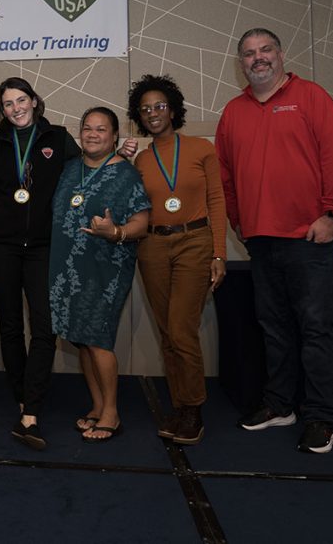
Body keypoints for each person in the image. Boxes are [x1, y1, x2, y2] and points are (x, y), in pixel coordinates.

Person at [216, 28, 333, 454]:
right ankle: (280, 405)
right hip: (260, 240)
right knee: (273, 327)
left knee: (315, 329)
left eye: (265, 50)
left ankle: (320, 417)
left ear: (280, 55)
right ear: (240, 62)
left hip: (308, 237)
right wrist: (239, 223)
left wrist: (332, 213)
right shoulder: (233, 112)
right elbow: (226, 176)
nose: (258, 59)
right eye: (249, 54)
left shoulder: (311, 97)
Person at [124, 74, 227, 445]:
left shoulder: (202, 148)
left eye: (159, 106)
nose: (153, 113)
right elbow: (129, 204)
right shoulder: (141, 159)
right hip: (152, 247)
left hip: (195, 242)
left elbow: (217, 201)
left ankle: (194, 410)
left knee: (182, 328)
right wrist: (121, 165)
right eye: (145, 108)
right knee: (168, 333)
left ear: (173, 109)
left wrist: (219, 252)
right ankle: (180, 405)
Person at [0, 77, 80, 450]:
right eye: (8, 103)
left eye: (22, 100)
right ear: (1, 110)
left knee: (44, 327)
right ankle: (26, 402)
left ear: (35, 101)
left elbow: (85, 175)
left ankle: (31, 406)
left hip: (43, 246)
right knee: (9, 327)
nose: (16, 108)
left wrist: (123, 154)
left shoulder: (58, 137)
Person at [50, 107, 150, 443]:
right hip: (68, 268)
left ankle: (112, 413)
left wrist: (116, 231)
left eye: (101, 129)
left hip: (105, 267)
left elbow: (142, 222)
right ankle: (96, 405)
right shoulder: (70, 169)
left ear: (115, 136)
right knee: (81, 337)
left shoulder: (126, 175)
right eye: (87, 128)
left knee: (98, 336)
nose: (93, 134)